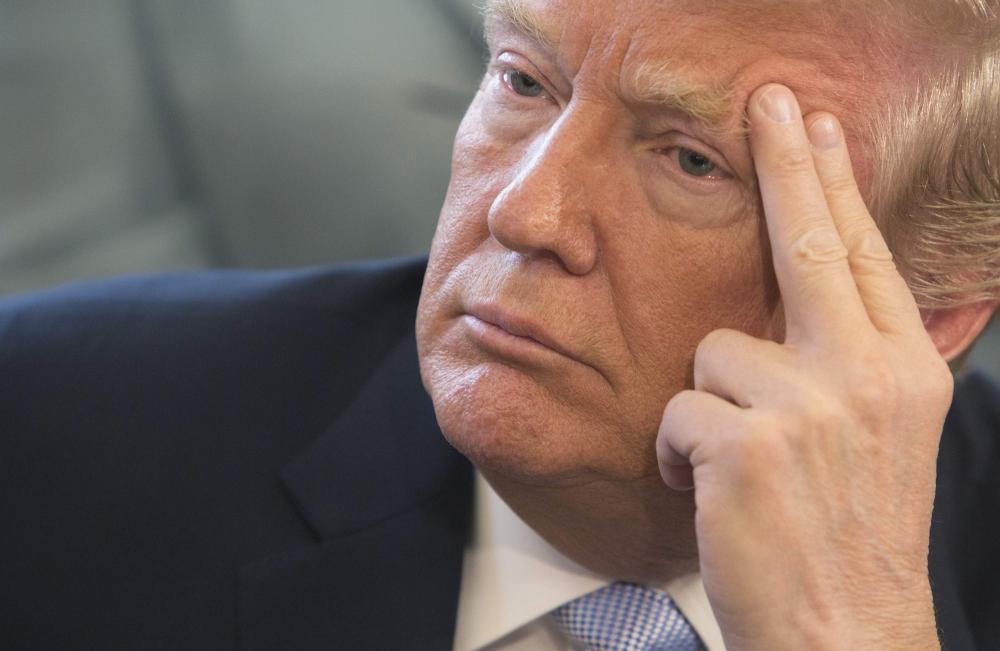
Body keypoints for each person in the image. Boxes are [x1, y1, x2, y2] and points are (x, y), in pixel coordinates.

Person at [2, 0, 999, 649]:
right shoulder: (49, 429)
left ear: (927, 317)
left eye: (693, 161)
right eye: (525, 83)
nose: (525, 213)